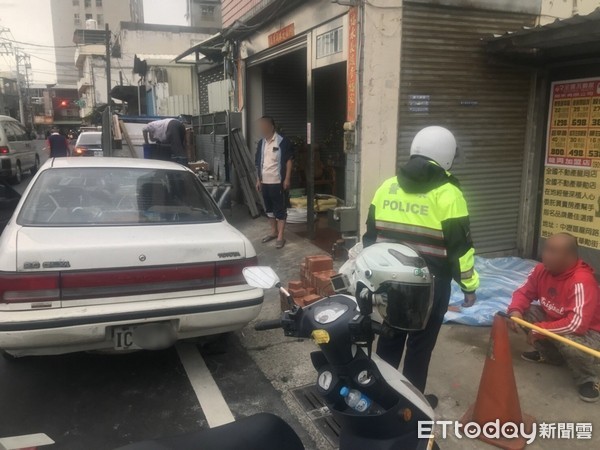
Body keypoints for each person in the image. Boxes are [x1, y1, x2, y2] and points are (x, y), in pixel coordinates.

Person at [363, 125, 479, 396]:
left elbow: (369, 238)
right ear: (446, 155)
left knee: (389, 341)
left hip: (389, 282)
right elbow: (460, 250)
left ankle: (381, 397)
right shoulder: (449, 194)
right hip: (431, 286)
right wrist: (469, 287)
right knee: (419, 348)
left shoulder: (386, 187)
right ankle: (412, 407)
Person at [507, 233, 600, 402]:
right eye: (546, 250)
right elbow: (523, 292)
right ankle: (552, 356)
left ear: (569, 257)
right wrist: (515, 310)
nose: (545, 255)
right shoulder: (541, 270)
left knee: (569, 342)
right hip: (556, 318)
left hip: (590, 333)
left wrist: (539, 330)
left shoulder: (582, 280)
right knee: (524, 314)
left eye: (552, 252)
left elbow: (576, 325)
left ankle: (589, 378)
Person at [255, 116, 293, 249]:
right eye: (261, 126)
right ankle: (273, 231)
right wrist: (258, 180)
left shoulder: (282, 141)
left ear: (271, 127)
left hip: (278, 182)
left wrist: (287, 178)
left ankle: (280, 236)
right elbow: (259, 163)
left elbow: (288, 161)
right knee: (269, 209)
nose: (262, 129)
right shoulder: (261, 143)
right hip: (264, 182)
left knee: (280, 209)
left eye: (264, 126)